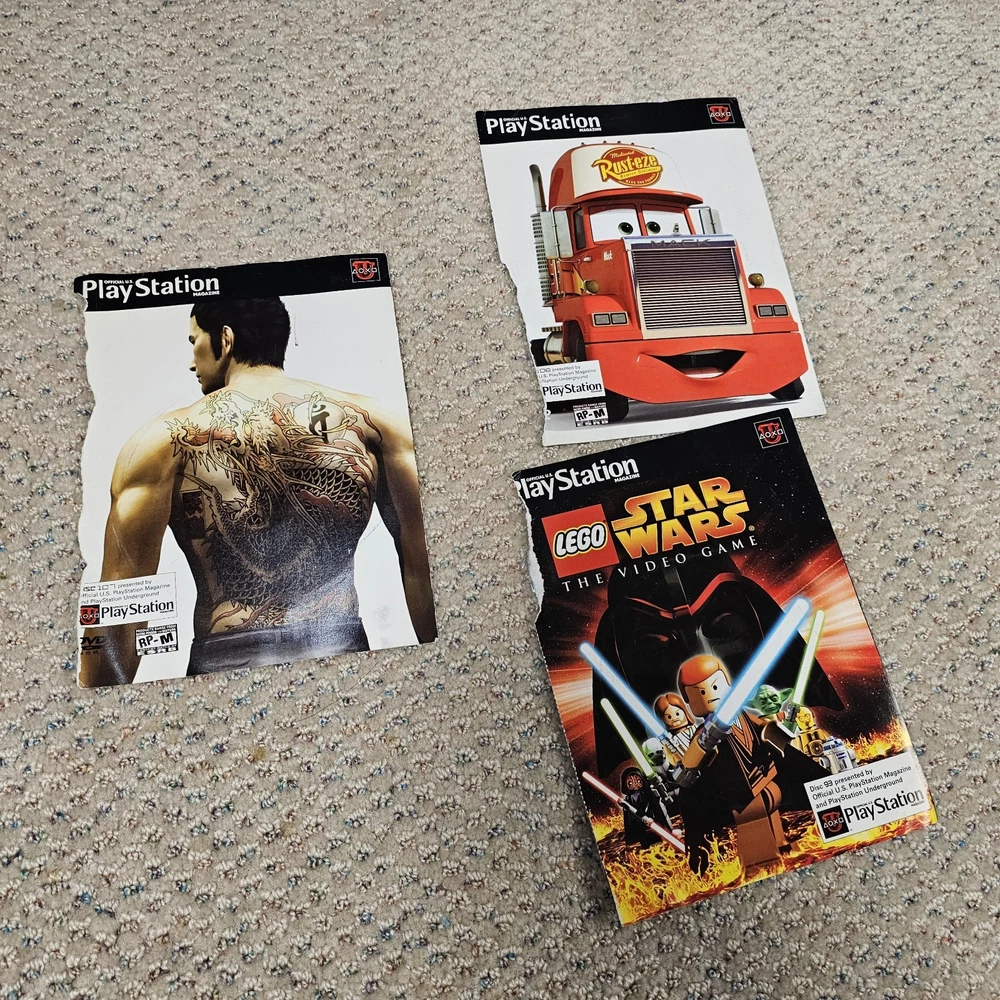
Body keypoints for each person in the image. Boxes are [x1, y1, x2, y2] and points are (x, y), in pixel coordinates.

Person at [80, 298, 435, 686]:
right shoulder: (376, 425)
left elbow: (122, 604)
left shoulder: (159, 442)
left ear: (225, 339)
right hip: (342, 652)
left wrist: (94, 709)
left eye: (195, 341)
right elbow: (425, 571)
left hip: (225, 663)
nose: (192, 361)